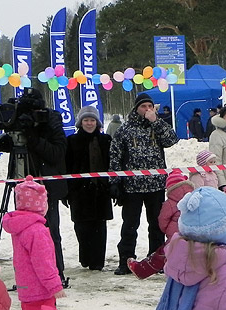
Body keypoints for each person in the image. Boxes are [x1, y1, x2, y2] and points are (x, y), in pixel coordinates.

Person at [3, 178, 65, 310]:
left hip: (26, 287)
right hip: (40, 290)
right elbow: (44, 262)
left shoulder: (20, 226)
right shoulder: (37, 230)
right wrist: (55, 286)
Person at [109, 93, 179, 275]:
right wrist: (115, 181)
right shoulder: (125, 130)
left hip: (155, 185)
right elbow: (115, 156)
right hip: (132, 187)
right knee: (130, 225)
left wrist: (156, 121)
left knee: (156, 224)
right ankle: (125, 260)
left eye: (150, 106)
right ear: (136, 108)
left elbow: (172, 140)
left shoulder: (158, 126)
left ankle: (155, 260)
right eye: (143, 106)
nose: (147, 109)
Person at [19, 88, 68, 286]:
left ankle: (56, 273)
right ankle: (29, 273)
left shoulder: (53, 122)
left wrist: (34, 137)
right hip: (24, 186)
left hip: (48, 188)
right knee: (25, 232)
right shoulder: (21, 120)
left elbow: (56, 153)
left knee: (50, 232)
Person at [65, 105, 112, 271]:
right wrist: (67, 191)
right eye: (86, 120)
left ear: (97, 122)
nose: (89, 123)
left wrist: (112, 186)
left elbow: (112, 165)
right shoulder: (71, 141)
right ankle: (85, 257)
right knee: (82, 227)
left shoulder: (105, 140)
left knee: (100, 227)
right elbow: (66, 166)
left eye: (92, 120)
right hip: (79, 191)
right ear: (80, 122)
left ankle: (97, 261)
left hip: (101, 190)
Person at [127, 169, 193, 279]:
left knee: (161, 255)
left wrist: (166, 230)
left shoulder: (170, 203)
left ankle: (141, 269)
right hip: (193, 235)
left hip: (175, 237)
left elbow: (163, 220)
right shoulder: (193, 198)